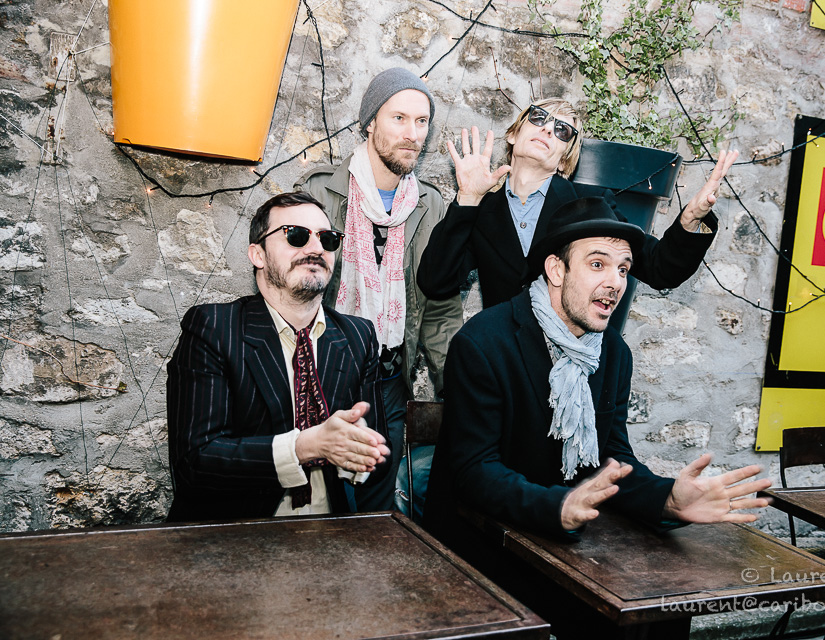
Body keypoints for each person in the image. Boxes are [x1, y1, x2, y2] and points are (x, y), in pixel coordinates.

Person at [423, 196, 771, 554]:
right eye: (597, 264)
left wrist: (667, 500)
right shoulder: (483, 343)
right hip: (477, 549)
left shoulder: (614, 353)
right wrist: (558, 506)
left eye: (623, 269)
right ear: (556, 270)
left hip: (565, 548)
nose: (615, 282)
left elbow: (612, 458)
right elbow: (475, 471)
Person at [295, 67, 463, 514]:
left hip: (388, 379)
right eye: (399, 118)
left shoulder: (429, 205)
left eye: (422, 121)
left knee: (378, 503)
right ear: (370, 122)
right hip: (322, 373)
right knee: (320, 500)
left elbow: (439, 308)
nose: (412, 134)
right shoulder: (320, 192)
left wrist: (458, 390)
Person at [167, 191, 391, 523]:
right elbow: (195, 463)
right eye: (296, 235)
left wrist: (358, 449)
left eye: (327, 239)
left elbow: (380, 460)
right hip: (236, 532)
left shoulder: (358, 335)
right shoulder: (214, 328)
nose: (315, 248)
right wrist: (306, 447)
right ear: (257, 254)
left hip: (329, 529)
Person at [417, 97, 738, 309]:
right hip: (501, 367)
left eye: (563, 130)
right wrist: (468, 198)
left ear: (564, 159)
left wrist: (691, 219)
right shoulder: (483, 210)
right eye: (538, 117)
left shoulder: (591, 205)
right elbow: (436, 282)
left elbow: (659, 268)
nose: (547, 128)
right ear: (513, 134)